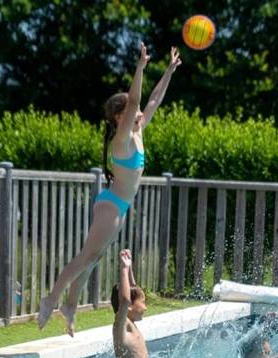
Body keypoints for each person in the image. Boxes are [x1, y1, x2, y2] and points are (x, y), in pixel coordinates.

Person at [38, 42, 182, 335]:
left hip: (119, 205)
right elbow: (136, 101)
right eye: (133, 109)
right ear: (120, 117)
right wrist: (140, 68)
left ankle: (70, 304)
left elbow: (153, 99)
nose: (141, 111)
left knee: (93, 259)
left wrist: (168, 70)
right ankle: (52, 298)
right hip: (111, 203)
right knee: (86, 257)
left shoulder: (137, 132)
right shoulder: (122, 140)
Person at [111, 249, 153, 358]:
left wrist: (129, 270)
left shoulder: (131, 323)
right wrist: (122, 267)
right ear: (128, 307)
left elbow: (134, 293)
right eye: (143, 303)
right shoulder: (121, 326)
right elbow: (127, 299)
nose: (146, 307)